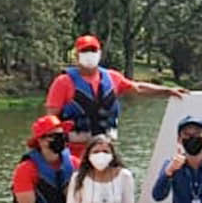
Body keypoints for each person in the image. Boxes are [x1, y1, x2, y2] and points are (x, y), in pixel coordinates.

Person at [45, 34, 185, 159]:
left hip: (105, 149)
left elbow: (138, 88)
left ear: (99, 53)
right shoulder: (63, 82)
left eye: (93, 50)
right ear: (77, 55)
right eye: (85, 51)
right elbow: (51, 118)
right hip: (74, 151)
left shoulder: (112, 77)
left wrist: (168, 90)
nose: (89, 54)